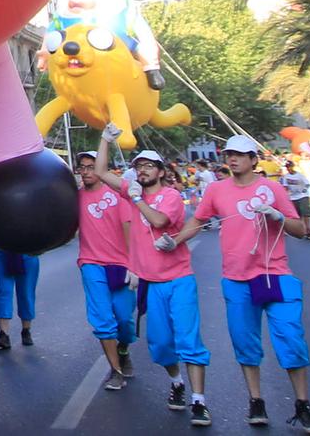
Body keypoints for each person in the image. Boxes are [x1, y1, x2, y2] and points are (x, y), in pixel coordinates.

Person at [176, 134, 310, 433]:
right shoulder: (216, 190)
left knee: (292, 340)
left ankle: (303, 405)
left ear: (254, 159)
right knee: (246, 344)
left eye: (240, 154)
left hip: (275, 275)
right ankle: (256, 401)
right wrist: (174, 240)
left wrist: (277, 214)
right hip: (237, 279)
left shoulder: (273, 188)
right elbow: (197, 221)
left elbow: (299, 230)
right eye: (229, 153)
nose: (233, 158)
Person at [124, 148, 213, 426]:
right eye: (139, 167)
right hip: (152, 283)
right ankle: (176, 383)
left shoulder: (171, 196)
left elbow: (159, 221)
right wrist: (105, 139)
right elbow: (102, 172)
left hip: (179, 279)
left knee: (188, 339)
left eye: (149, 166)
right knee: (161, 344)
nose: (143, 171)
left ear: (161, 171)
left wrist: (137, 198)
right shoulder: (133, 195)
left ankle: (199, 401)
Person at [77, 135, 138, 391]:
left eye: (91, 166)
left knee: (123, 319)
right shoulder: (75, 198)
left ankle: (123, 348)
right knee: (103, 318)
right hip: (91, 263)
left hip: (121, 265)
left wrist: (134, 265)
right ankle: (115, 371)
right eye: (82, 168)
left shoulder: (117, 195)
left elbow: (129, 229)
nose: (86, 172)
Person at [0, 240, 38, 350]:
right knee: (3, 290)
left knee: (26, 292)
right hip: (1, 250)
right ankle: (3, 334)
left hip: (27, 251)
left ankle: (26, 330)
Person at [281, 162, 310, 239]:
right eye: (287, 167)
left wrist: (304, 190)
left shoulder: (300, 175)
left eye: (290, 167)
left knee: (305, 212)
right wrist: (285, 196)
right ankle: (302, 229)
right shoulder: (286, 177)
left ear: (293, 167)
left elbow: (307, 184)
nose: (289, 168)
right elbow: (285, 187)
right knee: (297, 214)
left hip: (302, 195)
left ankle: (308, 228)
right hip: (293, 197)